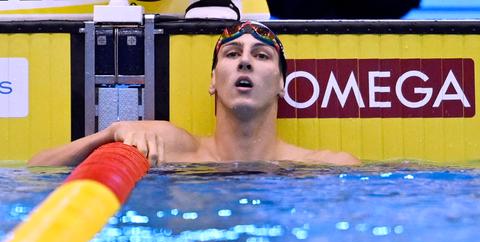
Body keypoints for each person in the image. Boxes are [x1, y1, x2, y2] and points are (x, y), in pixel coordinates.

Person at [28, 21, 359, 167]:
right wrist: (109, 135)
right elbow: (37, 169)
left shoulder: (325, 167)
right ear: (213, 80)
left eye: (261, 56)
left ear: (282, 84)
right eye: (231, 54)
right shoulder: (171, 146)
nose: (245, 61)